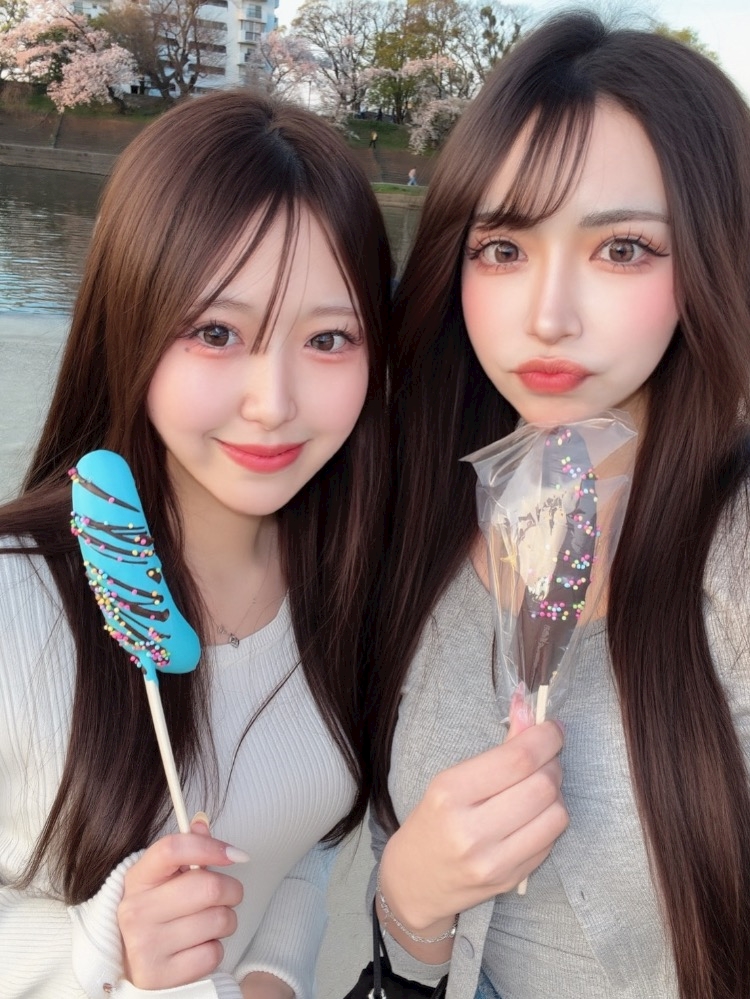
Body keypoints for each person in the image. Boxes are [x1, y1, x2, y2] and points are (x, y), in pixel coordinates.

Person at [367, 12, 750, 999]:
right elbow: (405, 934)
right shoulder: (417, 519)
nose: (547, 315)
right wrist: (409, 904)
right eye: (502, 247)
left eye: (622, 248)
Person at [0, 90, 390, 998]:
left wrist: (270, 980)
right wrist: (99, 942)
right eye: (217, 332)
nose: (274, 402)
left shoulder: (347, 586)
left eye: (329, 337)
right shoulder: (15, 604)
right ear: (130, 323)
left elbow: (300, 843)